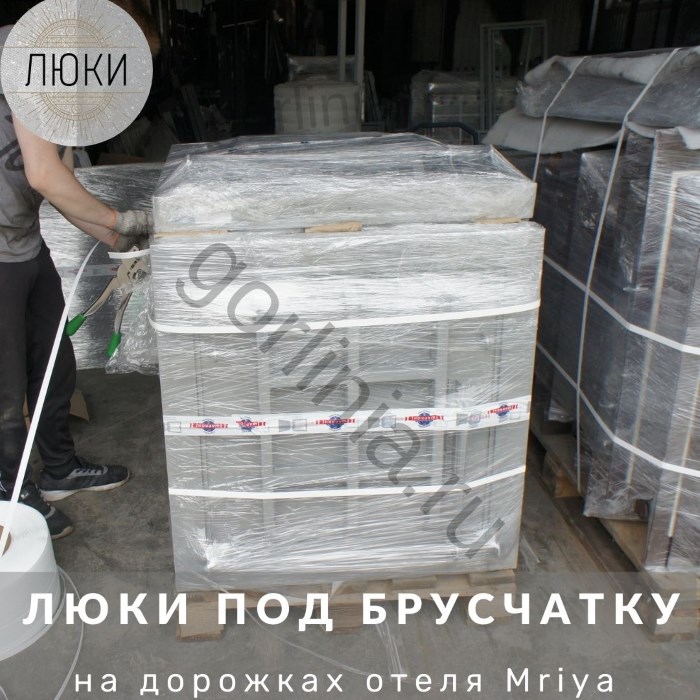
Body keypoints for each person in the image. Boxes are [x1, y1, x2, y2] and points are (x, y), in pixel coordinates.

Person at [0, 24, 153, 539]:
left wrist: (120, 239)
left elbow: (58, 183)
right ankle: (12, 495)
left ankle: (60, 471)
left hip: (22, 242)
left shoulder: (67, 95)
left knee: (53, 365)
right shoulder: (30, 58)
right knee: (5, 388)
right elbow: (42, 174)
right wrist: (119, 219)